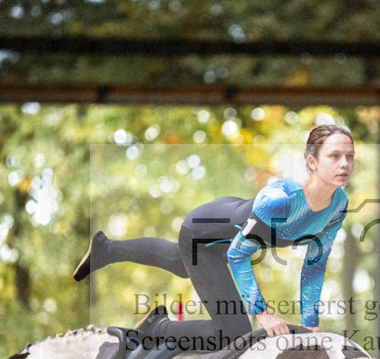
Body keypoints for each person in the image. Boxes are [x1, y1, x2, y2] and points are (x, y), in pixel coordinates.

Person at [73, 124, 355, 345]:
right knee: (234, 333)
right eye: (335, 156)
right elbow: (237, 253)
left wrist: (309, 321)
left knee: (180, 264)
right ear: (312, 162)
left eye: (349, 156)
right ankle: (156, 327)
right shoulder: (281, 199)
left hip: (228, 219)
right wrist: (263, 313)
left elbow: (315, 263)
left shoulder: (338, 205)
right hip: (203, 232)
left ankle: (105, 249)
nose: (344, 164)